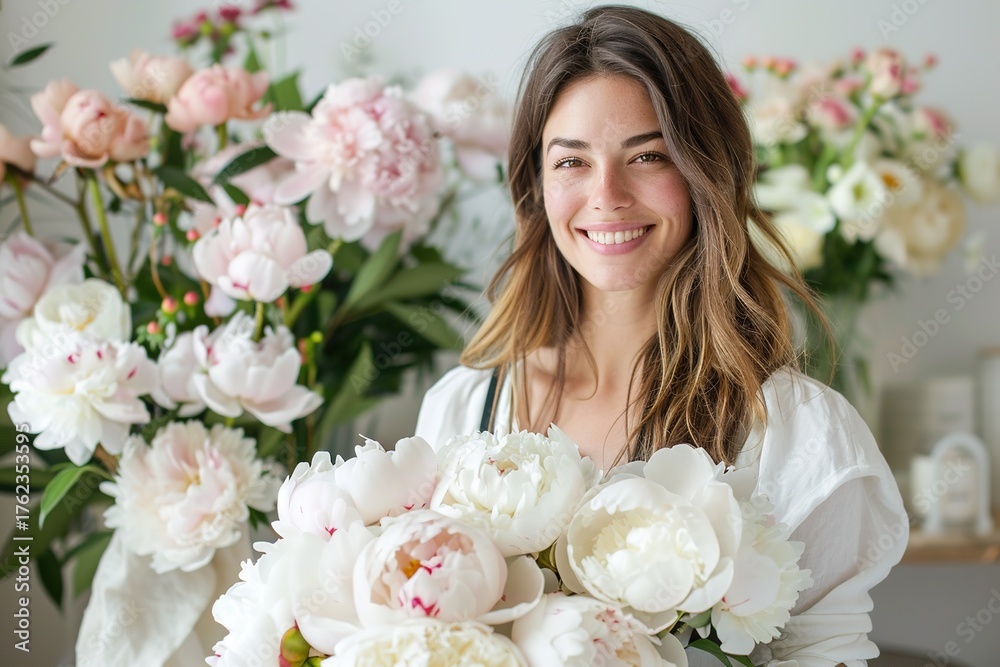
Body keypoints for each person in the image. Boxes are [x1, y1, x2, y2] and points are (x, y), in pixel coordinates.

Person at [415, 5, 907, 665]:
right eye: (572, 162)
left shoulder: (795, 432)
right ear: (535, 185)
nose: (607, 194)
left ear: (709, 171)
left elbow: (827, 654)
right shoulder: (459, 409)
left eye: (648, 155)